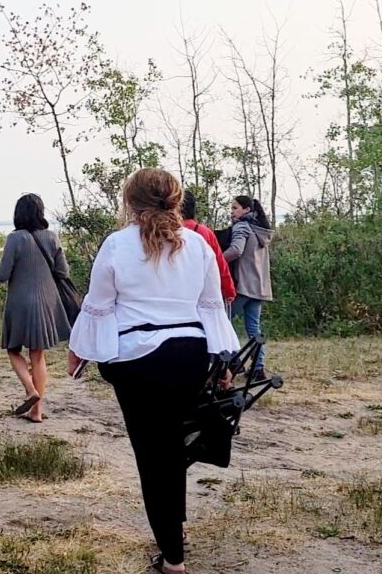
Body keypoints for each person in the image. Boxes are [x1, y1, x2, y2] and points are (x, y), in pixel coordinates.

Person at [67, 168, 240, 573]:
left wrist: (80, 352)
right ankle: (174, 536)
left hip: (137, 362)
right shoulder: (198, 244)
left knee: (153, 456)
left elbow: (99, 304)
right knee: (173, 450)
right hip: (189, 356)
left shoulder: (117, 244)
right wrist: (224, 362)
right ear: (176, 201)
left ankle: (173, 559)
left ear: (130, 202)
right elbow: (211, 306)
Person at [0, 194, 70, 423]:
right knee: (38, 356)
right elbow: (63, 272)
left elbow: (2, 275)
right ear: (41, 212)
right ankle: (36, 412)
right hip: (47, 302)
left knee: (13, 349)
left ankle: (30, 390)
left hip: (20, 302)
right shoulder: (51, 237)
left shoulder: (14, 239)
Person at [223, 195, 274, 381]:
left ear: (246, 210)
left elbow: (236, 250)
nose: (232, 212)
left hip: (243, 286)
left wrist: (215, 261)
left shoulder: (242, 227)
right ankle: (258, 369)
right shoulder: (261, 231)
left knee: (223, 322)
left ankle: (235, 361)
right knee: (254, 328)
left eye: (235, 208)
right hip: (259, 287)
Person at [181, 191, 236, 304]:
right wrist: (228, 290)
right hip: (202, 289)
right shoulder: (205, 232)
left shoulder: (164, 232)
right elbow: (219, 263)